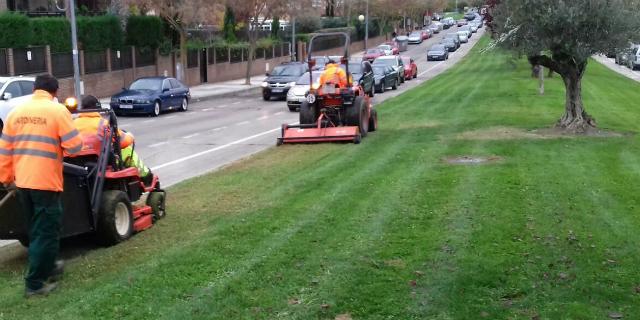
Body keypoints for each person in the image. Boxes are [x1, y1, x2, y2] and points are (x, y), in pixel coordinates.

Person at [0, 74, 83, 297]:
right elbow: (75, 147)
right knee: (46, 232)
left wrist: (6, 178)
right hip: (45, 183)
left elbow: (5, 151)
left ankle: (50, 266)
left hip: (22, 183)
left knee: (39, 229)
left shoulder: (15, 114)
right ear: (54, 93)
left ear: (35, 89)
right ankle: (34, 284)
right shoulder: (57, 111)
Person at [73, 95, 155, 185]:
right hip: (101, 162)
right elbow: (123, 141)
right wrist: (130, 136)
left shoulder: (72, 124)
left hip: (77, 162)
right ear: (97, 108)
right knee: (127, 151)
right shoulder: (102, 123)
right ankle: (146, 176)